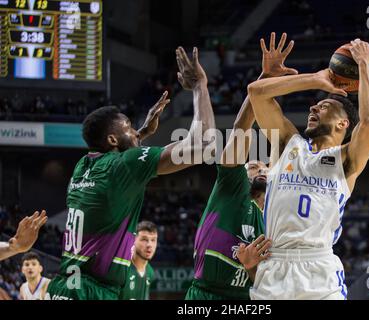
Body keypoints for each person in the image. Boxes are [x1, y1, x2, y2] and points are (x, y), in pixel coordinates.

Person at [46, 47, 216, 300]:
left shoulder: (84, 165)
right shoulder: (124, 165)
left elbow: (116, 157)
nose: (134, 131)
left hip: (64, 286)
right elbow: (203, 146)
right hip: (93, 292)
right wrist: (200, 85)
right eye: (128, 127)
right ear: (113, 139)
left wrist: (139, 134)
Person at [247, 34, 369, 300]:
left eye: (325, 105)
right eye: (315, 104)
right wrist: (315, 78)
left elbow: (368, 121)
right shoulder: (287, 144)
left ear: (343, 124)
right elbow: (255, 94)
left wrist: (365, 64)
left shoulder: (346, 159)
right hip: (275, 267)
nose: (313, 107)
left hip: (319, 270)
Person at [185, 33, 298, 300]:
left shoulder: (274, 220)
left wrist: (251, 268)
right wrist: (263, 81)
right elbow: (240, 129)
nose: (258, 167)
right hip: (207, 295)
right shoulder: (233, 188)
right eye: (251, 166)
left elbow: (270, 282)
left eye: (262, 167)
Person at [119, 221, 158, 300]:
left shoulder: (150, 272)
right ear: (133, 240)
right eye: (144, 239)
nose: (149, 245)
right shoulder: (122, 269)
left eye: (153, 240)